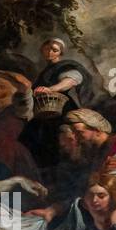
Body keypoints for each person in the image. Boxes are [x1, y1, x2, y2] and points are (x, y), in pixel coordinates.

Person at [21, 38, 96, 168]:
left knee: (61, 141)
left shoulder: (65, 66)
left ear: (60, 52)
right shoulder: (45, 71)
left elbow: (71, 80)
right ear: (42, 50)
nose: (50, 52)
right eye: (47, 49)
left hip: (61, 109)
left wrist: (50, 89)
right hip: (43, 111)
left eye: (55, 50)